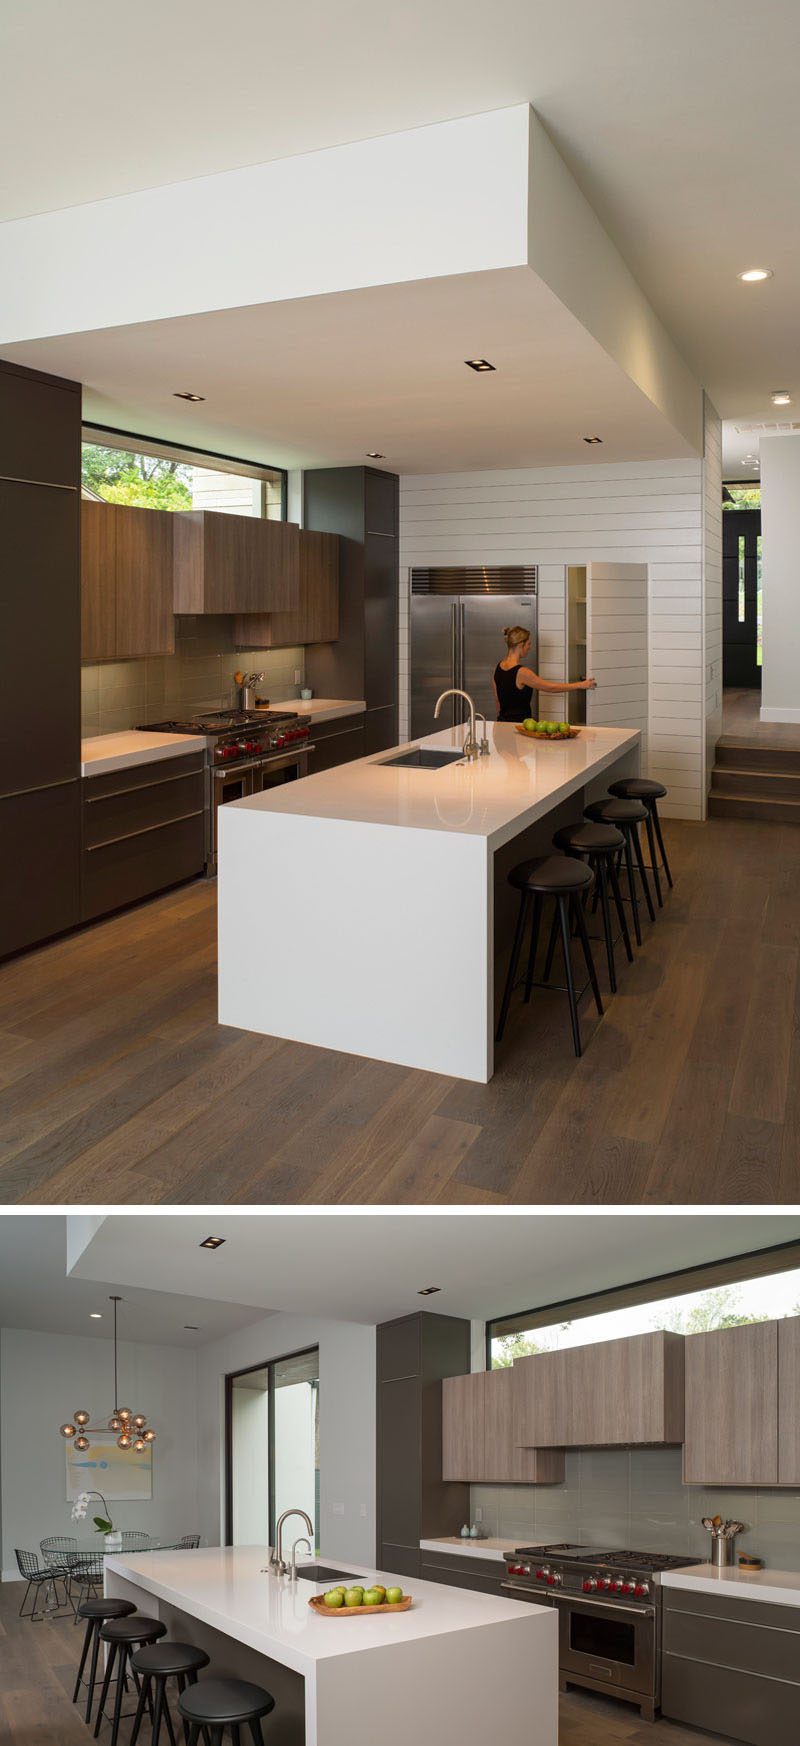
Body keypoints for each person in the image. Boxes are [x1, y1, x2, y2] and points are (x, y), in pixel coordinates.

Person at [492, 625, 597, 722]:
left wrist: (502, 722)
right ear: (520, 645)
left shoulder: (498, 667)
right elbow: (550, 688)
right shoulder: (521, 672)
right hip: (520, 726)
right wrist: (581, 685)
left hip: (502, 724)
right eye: (528, 644)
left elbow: (497, 701)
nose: (529, 648)